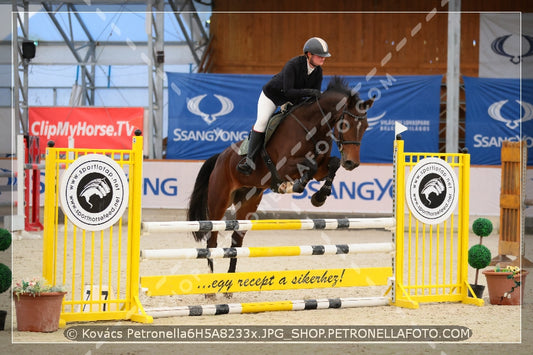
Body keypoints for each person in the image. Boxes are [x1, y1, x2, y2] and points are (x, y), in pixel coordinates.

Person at [236, 37, 331, 175]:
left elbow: (313, 96)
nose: (323, 59)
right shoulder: (293, 65)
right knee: (262, 122)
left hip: (294, 100)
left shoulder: (318, 71)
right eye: (320, 56)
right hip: (272, 96)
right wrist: (310, 92)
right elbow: (288, 91)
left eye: (324, 56)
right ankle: (249, 161)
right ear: (309, 54)